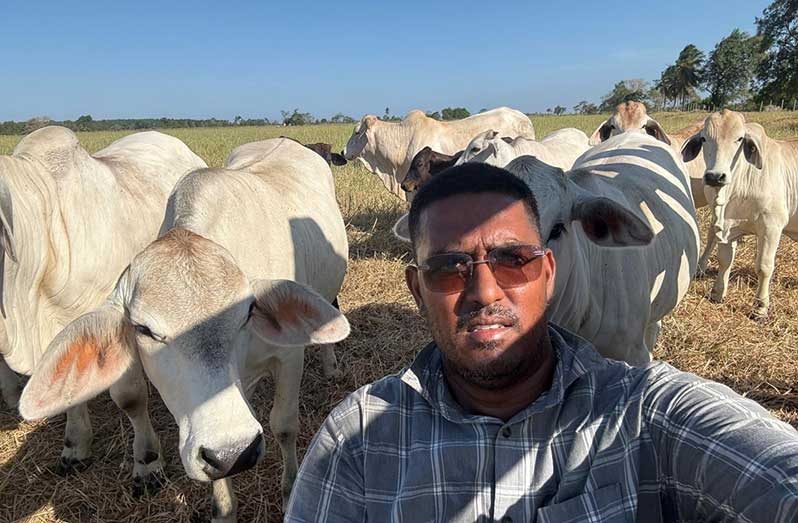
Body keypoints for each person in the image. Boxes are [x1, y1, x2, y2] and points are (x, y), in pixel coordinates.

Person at [285, 163, 798, 522]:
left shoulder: (645, 412)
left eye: (514, 259)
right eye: (448, 267)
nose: (485, 292)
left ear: (549, 271)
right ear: (416, 289)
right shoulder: (356, 439)